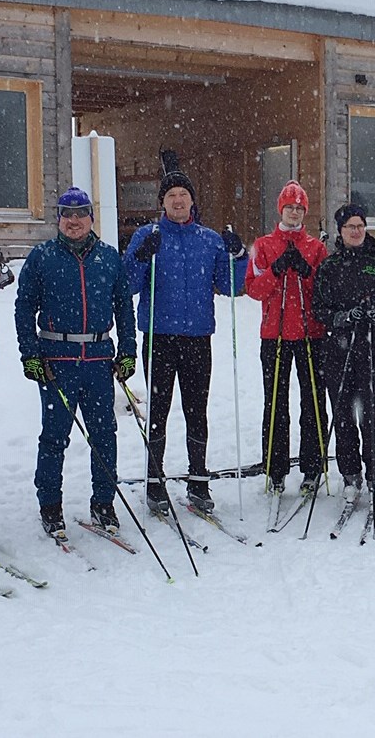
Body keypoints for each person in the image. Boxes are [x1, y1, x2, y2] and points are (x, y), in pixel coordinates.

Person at [122, 171, 248, 514]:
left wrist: (238, 256)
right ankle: (154, 481)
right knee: (158, 413)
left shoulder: (209, 240)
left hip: (196, 338)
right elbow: (129, 285)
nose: (178, 200)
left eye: (183, 194)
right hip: (159, 336)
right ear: (162, 202)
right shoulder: (148, 236)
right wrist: (139, 257)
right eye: (171, 195)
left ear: (192, 200)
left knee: (197, 410)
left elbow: (232, 285)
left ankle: (198, 479)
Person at [15, 187, 138, 537]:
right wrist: (30, 354)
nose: (73, 221)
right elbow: (24, 307)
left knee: (104, 435)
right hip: (57, 361)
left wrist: (127, 350)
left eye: (80, 214)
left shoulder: (109, 258)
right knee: (55, 437)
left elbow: (124, 308)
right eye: (67, 215)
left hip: (98, 360)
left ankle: (104, 503)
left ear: (90, 218)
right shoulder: (42, 257)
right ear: (59, 219)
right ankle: (50, 505)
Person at [246, 180, 330, 497]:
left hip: (311, 335)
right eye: (289, 207)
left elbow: (323, 290)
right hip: (275, 334)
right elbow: (253, 289)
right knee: (276, 405)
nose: (294, 212)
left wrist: (305, 271)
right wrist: (277, 270)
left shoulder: (316, 247)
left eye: (299, 208)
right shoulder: (264, 245)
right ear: (281, 209)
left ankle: (312, 467)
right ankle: (276, 468)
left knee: (312, 403)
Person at [311, 204, 375, 499]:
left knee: (370, 414)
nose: (356, 231)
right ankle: (350, 474)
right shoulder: (329, 267)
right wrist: (342, 317)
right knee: (343, 413)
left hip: (371, 347)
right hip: (338, 349)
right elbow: (318, 308)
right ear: (341, 231)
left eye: (359, 226)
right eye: (350, 227)